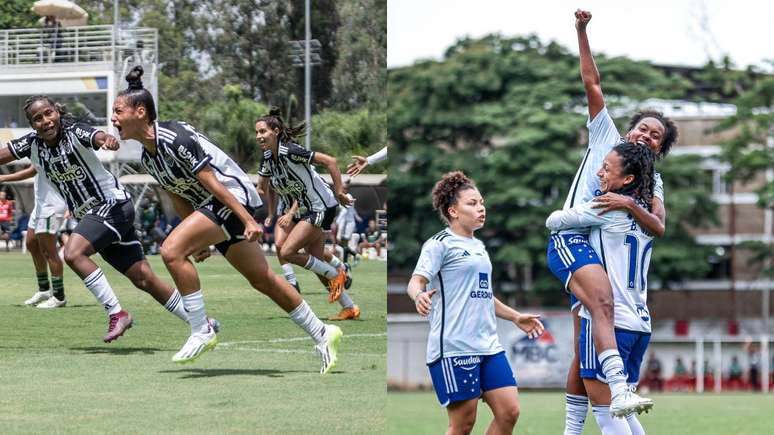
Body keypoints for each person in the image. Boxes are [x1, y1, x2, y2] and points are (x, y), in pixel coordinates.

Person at [111, 66, 342, 371]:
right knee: (263, 280)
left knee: (170, 250)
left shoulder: (174, 137)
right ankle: (324, 333)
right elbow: (178, 195)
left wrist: (247, 219)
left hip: (233, 197)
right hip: (215, 206)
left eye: (117, 111)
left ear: (140, 112)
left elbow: (211, 181)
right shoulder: (148, 156)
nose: (113, 119)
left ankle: (201, 329)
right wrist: (197, 240)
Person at [552, 9, 678, 431]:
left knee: (585, 342)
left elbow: (658, 224)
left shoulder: (650, 182)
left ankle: (574, 428)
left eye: (654, 134)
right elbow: (592, 82)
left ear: (659, 150)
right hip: (573, 236)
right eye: (642, 127)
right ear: (628, 130)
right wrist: (582, 31)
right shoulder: (606, 136)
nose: (645, 134)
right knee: (600, 315)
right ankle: (619, 394)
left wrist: (628, 206)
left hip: (601, 254)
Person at [0, 95, 210, 343]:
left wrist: (106, 139)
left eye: (49, 113)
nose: (46, 121)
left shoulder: (73, 130)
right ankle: (203, 324)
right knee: (143, 278)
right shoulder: (32, 144)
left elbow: (95, 135)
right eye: (38, 118)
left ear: (57, 111)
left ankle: (117, 313)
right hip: (96, 215)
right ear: (32, 124)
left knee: (73, 253)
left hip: (111, 205)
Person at [407, 171, 544, 435]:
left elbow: (482, 294)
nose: (481, 208)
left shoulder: (479, 247)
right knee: (463, 425)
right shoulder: (439, 244)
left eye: (482, 202)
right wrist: (419, 295)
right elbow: (415, 282)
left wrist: (515, 316)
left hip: (488, 346)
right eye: (472, 203)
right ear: (453, 211)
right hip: (455, 347)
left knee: (509, 412)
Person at [547, 142, 659, 435]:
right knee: (626, 415)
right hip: (640, 323)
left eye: (607, 168)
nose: (599, 172)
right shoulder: (646, 214)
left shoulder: (606, 208)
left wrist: (585, 210)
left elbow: (554, 221)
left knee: (609, 416)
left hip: (609, 324)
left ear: (628, 180)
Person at [256, 109, 360, 321]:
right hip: (308, 209)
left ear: (275, 132)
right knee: (316, 261)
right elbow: (261, 188)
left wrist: (340, 191)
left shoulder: (292, 151)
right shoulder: (267, 158)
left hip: (321, 206)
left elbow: (330, 161)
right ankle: (349, 307)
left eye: (263, 131)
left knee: (287, 251)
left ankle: (336, 273)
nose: (258, 136)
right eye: (256, 132)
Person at [0, 165, 68, 308]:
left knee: (49, 251)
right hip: (40, 205)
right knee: (31, 243)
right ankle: (44, 289)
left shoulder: (48, 147)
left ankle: (59, 296)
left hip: (51, 205)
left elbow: (32, 170)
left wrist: (4, 177)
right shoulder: (37, 146)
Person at [335, 183, 362, 264]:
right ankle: (349, 258)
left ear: (346, 189)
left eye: (343, 188)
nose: (341, 189)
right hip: (344, 223)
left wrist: (337, 220)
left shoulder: (349, 196)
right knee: (342, 242)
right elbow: (353, 210)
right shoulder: (342, 197)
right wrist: (357, 217)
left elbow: (345, 210)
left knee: (345, 241)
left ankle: (353, 256)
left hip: (348, 223)